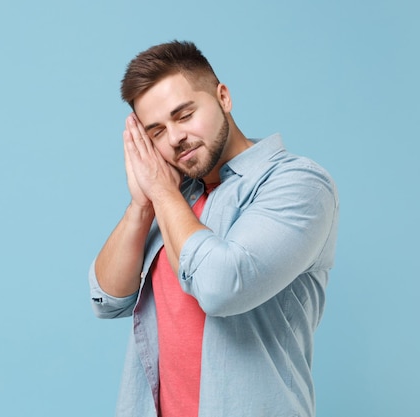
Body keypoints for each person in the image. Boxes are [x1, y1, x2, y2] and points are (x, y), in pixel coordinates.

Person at [88, 40, 339, 417]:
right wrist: (141, 206)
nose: (174, 139)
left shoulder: (298, 183)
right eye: (156, 131)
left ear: (223, 97)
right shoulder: (175, 197)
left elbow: (223, 288)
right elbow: (107, 300)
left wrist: (159, 191)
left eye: (184, 115)